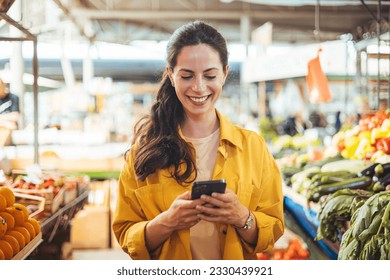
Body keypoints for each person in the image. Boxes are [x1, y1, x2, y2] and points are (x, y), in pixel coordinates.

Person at [112, 21, 284, 260]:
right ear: (171, 75)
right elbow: (125, 233)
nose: (199, 87)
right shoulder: (143, 151)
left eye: (210, 75)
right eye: (187, 75)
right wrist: (167, 222)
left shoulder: (253, 147)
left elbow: (273, 228)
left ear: (224, 73)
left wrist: (242, 217)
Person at [0, 78, 20, 146]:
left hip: (9, 129)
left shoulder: (13, 97)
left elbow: (15, 116)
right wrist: (6, 122)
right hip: (7, 124)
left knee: (7, 130)